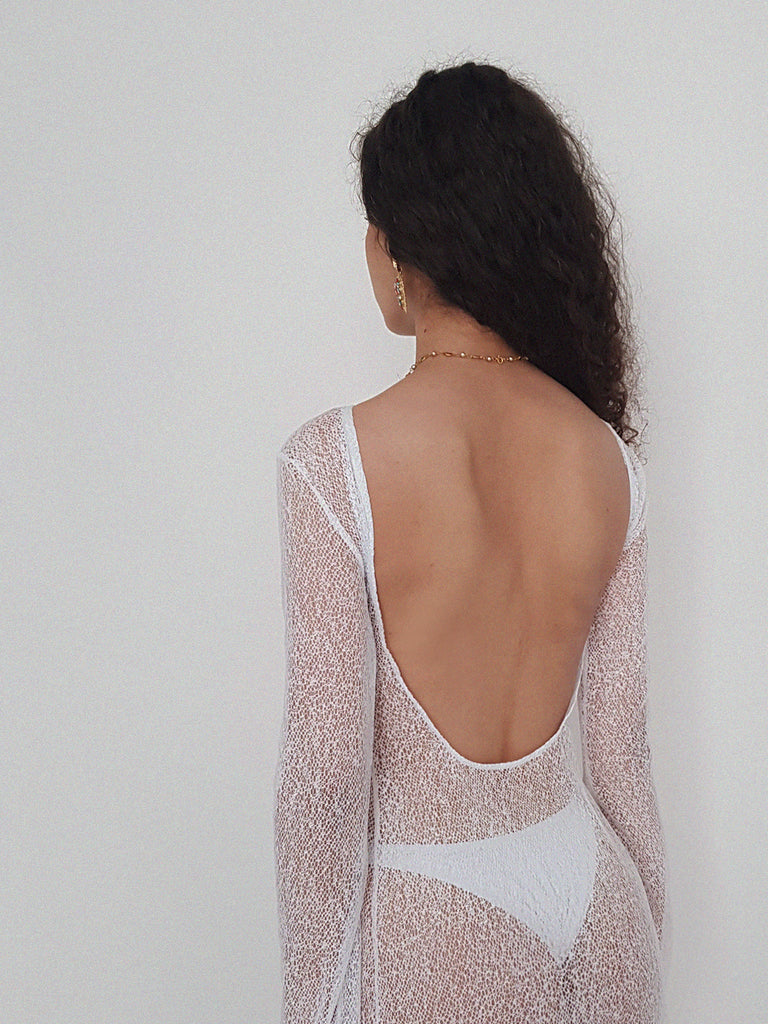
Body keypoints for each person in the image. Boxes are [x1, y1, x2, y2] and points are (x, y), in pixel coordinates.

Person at [273, 61, 667, 1024]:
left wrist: (310, 1004)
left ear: (397, 248)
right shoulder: (605, 456)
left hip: (436, 922)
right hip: (600, 905)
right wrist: (648, 952)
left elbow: (327, 779)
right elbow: (621, 755)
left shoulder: (333, 463)